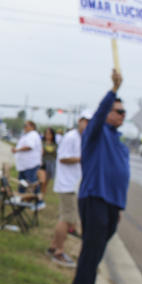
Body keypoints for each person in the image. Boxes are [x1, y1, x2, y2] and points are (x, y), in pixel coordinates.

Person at [66, 70, 130, 284]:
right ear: (108, 114)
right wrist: (113, 90)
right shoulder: (97, 133)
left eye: (124, 112)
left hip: (113, 204)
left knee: (97, 252)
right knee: (90, 250)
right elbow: (100, 114)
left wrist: (121, 207)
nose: (122, 115)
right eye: (119, 111)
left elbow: (121, 175)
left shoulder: (119, 141)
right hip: (95, 198)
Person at [47, 111, 91, 268]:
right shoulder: (72, 137)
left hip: (73, 184)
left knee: (67, 218)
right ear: (80, 121)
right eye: (86, 121)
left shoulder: (81, 138)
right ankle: (58, 252)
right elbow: (63, 158)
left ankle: (53, 246)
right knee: (67, 219)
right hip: (67, 185)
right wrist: (82, 159)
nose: (87, 125)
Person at [11, 120, 43, 197]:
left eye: (26, 125)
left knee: (32, 183)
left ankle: (37, 200)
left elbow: (29, 146)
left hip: (30, 164)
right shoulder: (28, 135)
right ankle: (21, 198)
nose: (24, 127)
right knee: (23, 182)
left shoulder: (33, 135)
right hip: (25, 165)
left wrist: (17, 150)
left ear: (32, 127)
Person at [39, 127, 58, 196]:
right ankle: (38, 195)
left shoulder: (55, 144)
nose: (47, 135)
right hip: (42, 164)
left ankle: (41, 197)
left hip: (51, 165)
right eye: (46, 134)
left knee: (45, 183)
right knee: (41, 181)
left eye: (49, 134)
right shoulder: (41, 143)